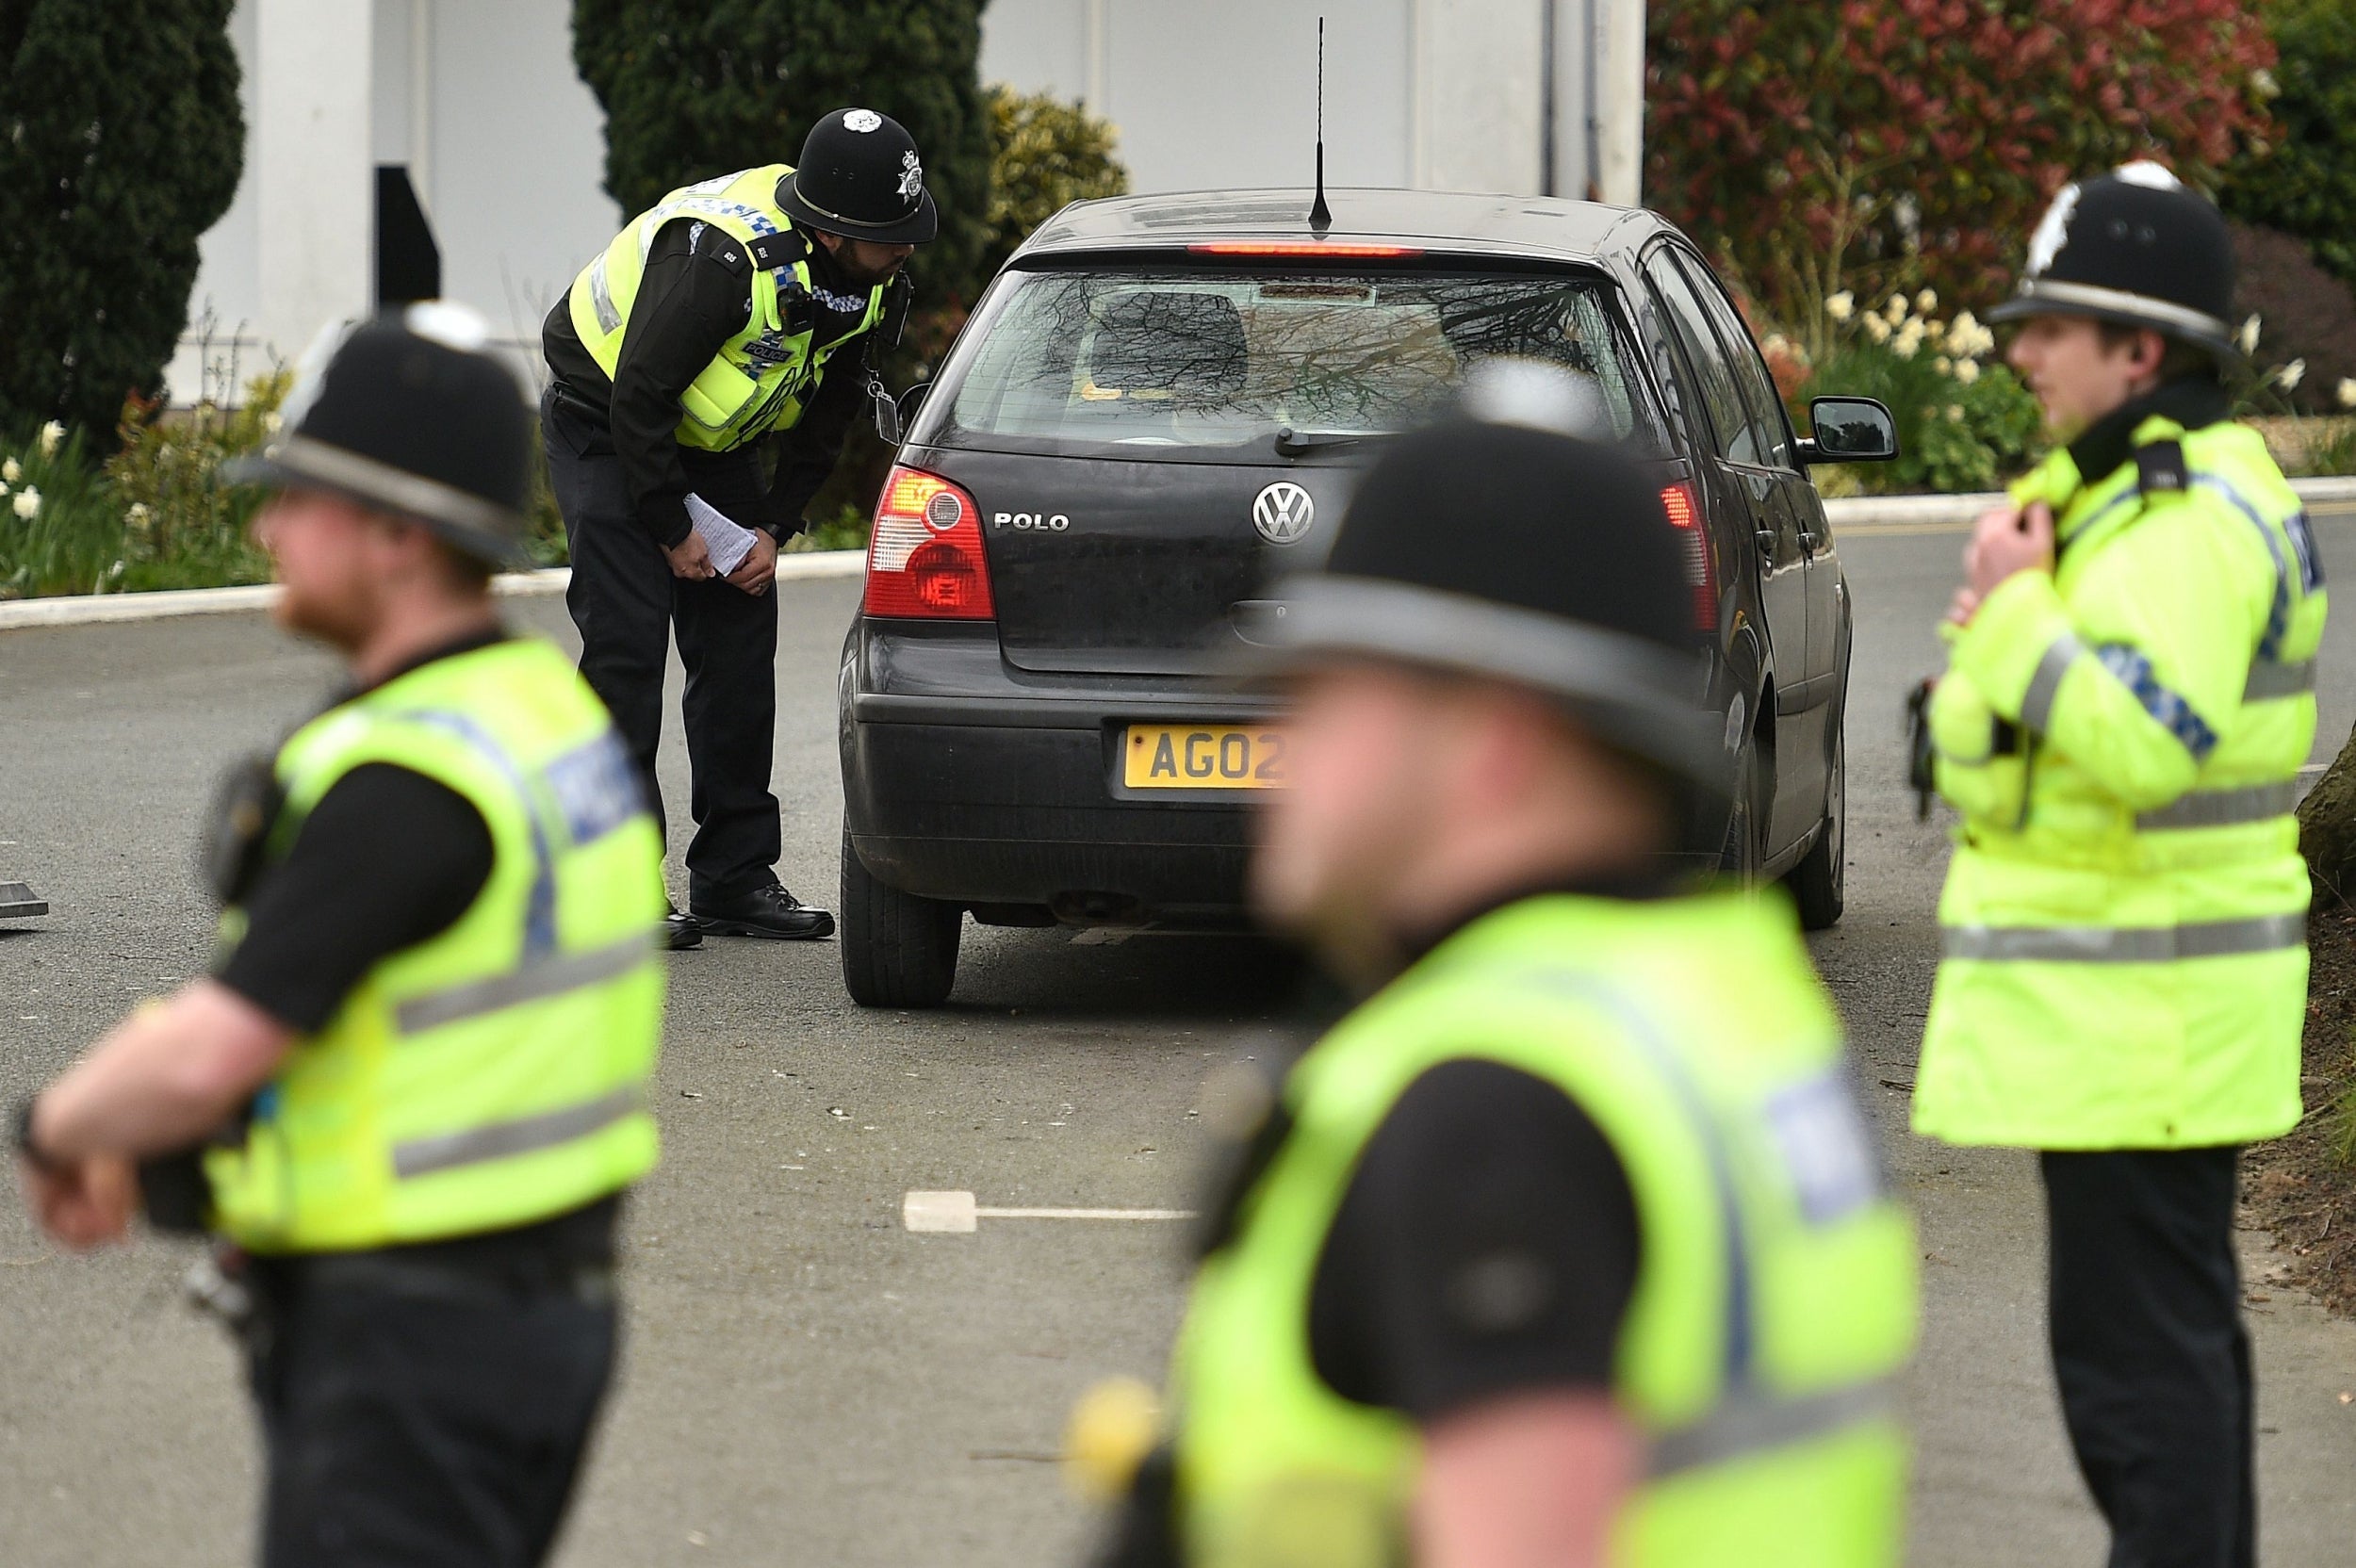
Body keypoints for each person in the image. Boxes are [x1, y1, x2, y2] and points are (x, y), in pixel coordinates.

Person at [1079, 385, 1919, 1568]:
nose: (1276, 740)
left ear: (1493, 739)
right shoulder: (1710, 1004)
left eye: (1325, 692)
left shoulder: (1493, 1110)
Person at [11, 305, 668, 1568]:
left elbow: (216, 1049)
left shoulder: (407, 781)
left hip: (415, 1350)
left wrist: (58, 1127)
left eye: (299, 497)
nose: (267, 530)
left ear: (396, 536)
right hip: (536, 1311)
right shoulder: (538, 717)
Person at [1915, 163, 2328, 1568]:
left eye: (2053, 328)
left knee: (2144, 1395)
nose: (2021, 351)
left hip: (2145, 1031)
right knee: (2158, 1376)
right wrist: (2008, 640)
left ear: (2141, 351)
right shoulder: (2112, 500)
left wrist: (2016, 624)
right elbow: (1982, 757)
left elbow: (2144, 744)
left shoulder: (2186, 521)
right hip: (2130, 1032)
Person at [543, 106, 936, 948]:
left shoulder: (873, 283)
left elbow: (829, 415)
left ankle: (733, 877)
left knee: (736, 650)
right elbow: (639, 394)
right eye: (890, 233)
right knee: (627, 648)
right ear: (833, 230)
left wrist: (770, 528)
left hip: (713, 440)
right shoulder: (719, 263)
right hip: (606, 424)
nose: (907, 247)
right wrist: (669, 525)